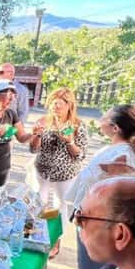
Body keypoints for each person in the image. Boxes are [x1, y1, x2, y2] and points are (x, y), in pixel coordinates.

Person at [69, 104, 135, 269]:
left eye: (105, 116)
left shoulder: (123, 157)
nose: (100, 119)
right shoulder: (113, 150)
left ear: (115, 128)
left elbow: (121, 199)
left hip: (101, 226)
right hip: (91, 220)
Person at [29, 88, 88, 257]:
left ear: (70, 106)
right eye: (54, 104)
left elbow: (81, 155)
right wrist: (36, 136)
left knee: (60, 208)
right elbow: (33, 149)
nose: (56, 108)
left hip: (65, 176)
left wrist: (69, 142)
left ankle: (55, 240)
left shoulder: (77, 126)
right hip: (42, 172)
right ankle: (36, 235)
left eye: (60, 105)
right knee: (38, 204)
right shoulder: (43, 121)